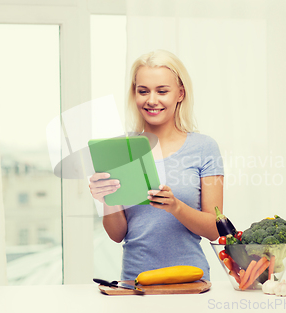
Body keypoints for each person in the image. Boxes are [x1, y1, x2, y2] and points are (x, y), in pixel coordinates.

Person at [88, 50, 224, 281]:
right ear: (134, 94)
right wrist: (107, 200)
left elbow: (216, 230)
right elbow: (116, 235)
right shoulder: (120, 149)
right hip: (135, 281)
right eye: (143, 91)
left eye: (162, 91)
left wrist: (175, 207)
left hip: (191, 283)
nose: (151, 100)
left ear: (180, 94)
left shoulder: (204, 148)